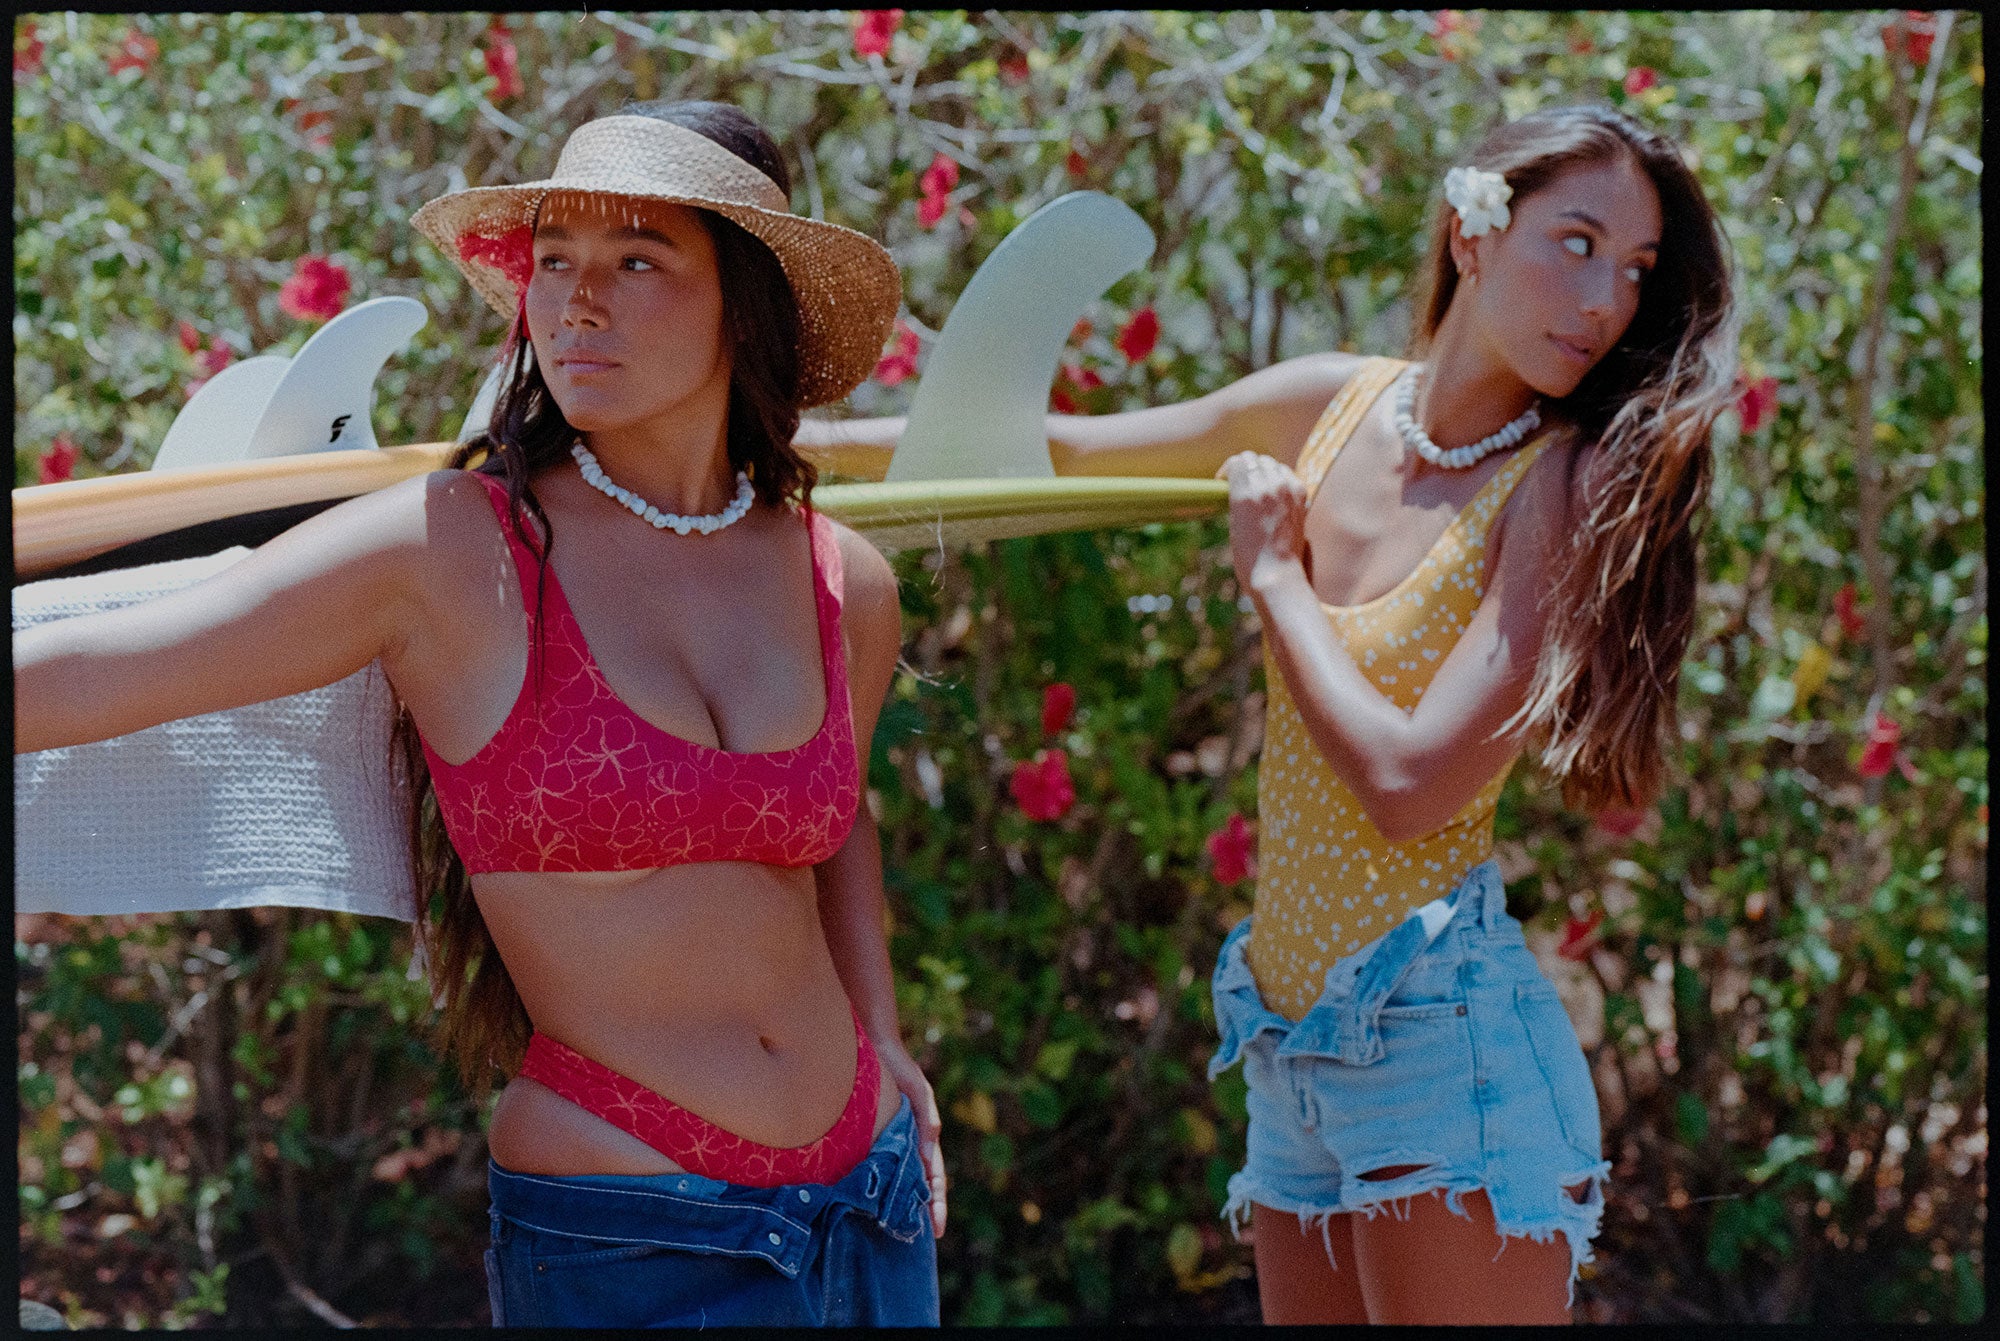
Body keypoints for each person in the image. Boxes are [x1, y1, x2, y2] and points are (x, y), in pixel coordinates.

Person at [15, 100, 946, 1328]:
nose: (578, 301)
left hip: (871, 1202)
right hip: (632, 1232)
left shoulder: (841, 579)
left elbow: (837, 823)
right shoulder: (457, 551)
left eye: (636, 259)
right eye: (553, 261)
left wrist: (882, 1040)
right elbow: (107, 667)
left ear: (748, 298)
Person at [803, 103, 1738, 1323]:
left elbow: (1408, 785)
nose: (1605, 299)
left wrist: (1276, 580)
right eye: (1575, 243)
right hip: (1287, 1036)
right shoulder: (1330, 407)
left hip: (1437, 1044)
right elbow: (1051, 450)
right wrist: (764, 445)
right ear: (1470, 232)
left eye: (1633, 272)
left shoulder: (1557, 480)